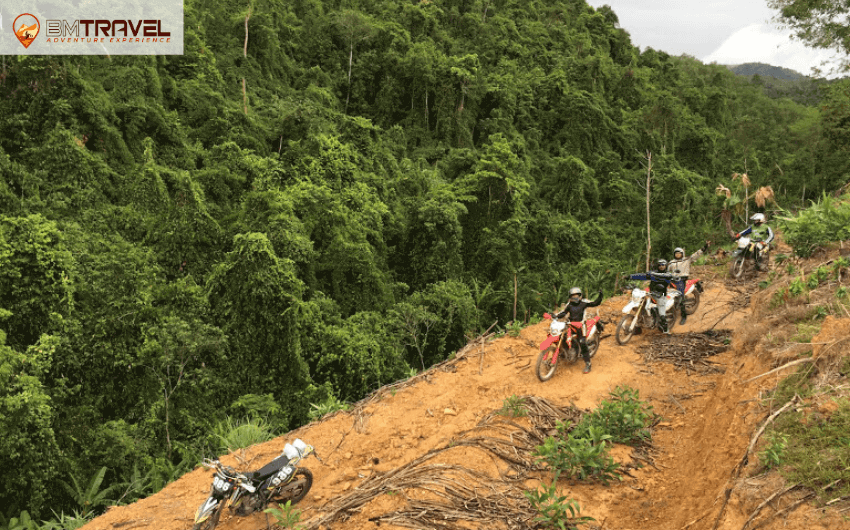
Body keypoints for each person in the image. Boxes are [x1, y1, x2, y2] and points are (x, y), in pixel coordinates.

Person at [555, 287, 603, 374]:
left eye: (576, 295)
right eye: (573, 296)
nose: (575, 297)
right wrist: (556, 316)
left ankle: (588, 364)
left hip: (581, 326)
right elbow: (563, 313)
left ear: (580, 296)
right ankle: (567, 352)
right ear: (570, 297)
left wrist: (600, 295)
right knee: (562, 336)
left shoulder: (583, 304)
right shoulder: (569, 305)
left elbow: (595, 303)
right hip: (571, 326)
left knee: (582, 343)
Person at [627, 259, 678, 334]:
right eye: (660, 265)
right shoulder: (654, 274)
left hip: (661, 295)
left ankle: (666, 330)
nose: (661, 267)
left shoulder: (667, 275)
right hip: (651, 293)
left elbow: (670, 279)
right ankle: (639, 324)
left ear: (666, 266)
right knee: (640, 304)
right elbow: (642, 276)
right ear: (657, 266)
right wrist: (630, 276)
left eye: (663, 265)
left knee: (662, 314)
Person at [668, 241, 710, 325]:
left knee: (681, 298)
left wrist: (704, 247)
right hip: (672, 281)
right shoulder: (671, 262)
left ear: (682, 254)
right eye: (676, 254)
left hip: (682, 281)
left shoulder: (687, 260)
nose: (678, 255)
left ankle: (684, 316)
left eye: (679, 253)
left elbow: (697, 254)